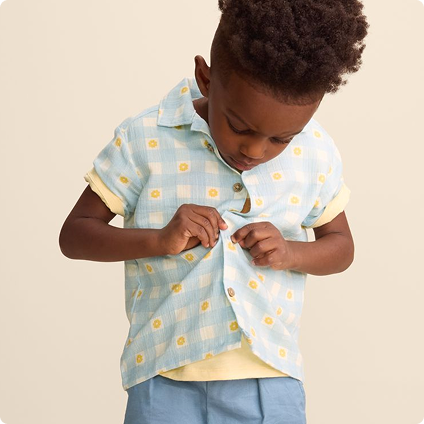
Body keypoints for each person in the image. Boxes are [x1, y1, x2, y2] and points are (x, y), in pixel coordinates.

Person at [59, 0, 369, 422]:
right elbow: (75, 235)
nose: (255, 150)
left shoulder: (315, 151)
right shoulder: (145, 138)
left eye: (281, 139)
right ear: (205, 79)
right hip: (163, 375)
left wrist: (292, 252)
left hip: (269, 377)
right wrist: (158, 240)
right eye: (240, 127)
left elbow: (342, 246)